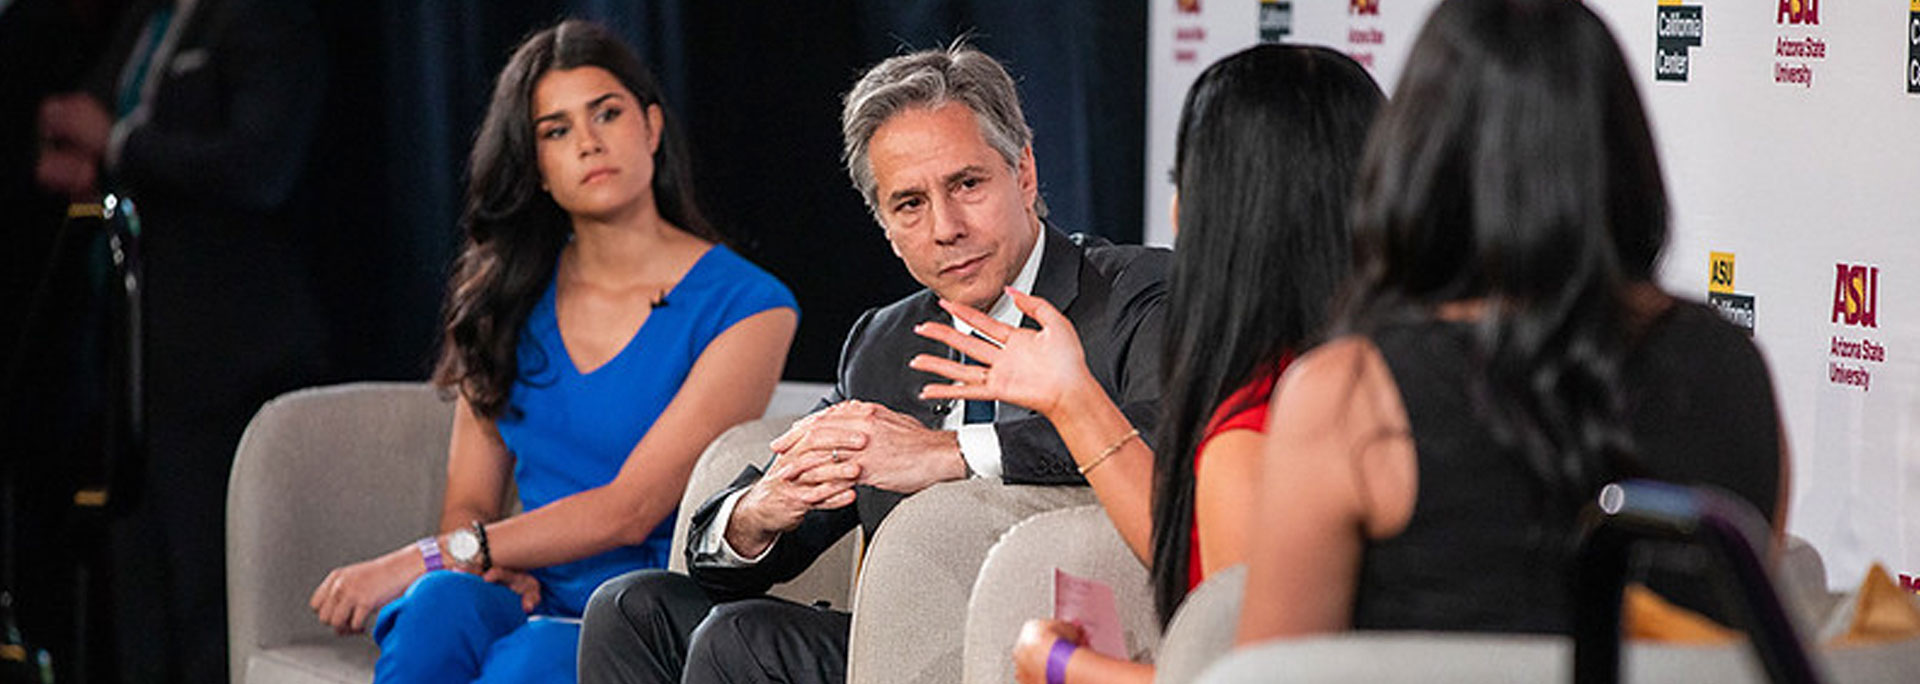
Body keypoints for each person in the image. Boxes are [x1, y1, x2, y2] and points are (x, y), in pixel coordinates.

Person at [576, 44, 1170, 684]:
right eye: (910, 204)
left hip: (1047, 645)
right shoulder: (886, 342)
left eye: (967, 185)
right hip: (902, 645)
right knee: (631, 607)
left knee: (741, 639)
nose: (945, 228)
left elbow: (1167, 438)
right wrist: (756, 515)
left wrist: (952, 453)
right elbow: (746, 544)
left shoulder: (1136, 294)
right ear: (883, 222)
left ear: (1023, 173)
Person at [1232, 0, 1787, 644]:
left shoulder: (1347, 393)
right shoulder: (1735, 370)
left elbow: (1271, 670)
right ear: (1622, 152)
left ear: (1417, 158)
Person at [305, 20, 799, 682]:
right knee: (435, 607)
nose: (589, 142)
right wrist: (483, 561)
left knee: (525, 655)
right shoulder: (503, 296)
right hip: (528, 586)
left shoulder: (749, 304)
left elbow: (631, 511)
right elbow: (469, 500)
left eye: (607, 114)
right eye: (556, 131)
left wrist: (428, 555)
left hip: (643, 609)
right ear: (535, 166)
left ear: (651, 127)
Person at [910, 45, 1383, 683]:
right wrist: (1071, 399)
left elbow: (1253, 680)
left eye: (1179, 179)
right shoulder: (1386, 371)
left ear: (1210, 210)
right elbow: (1186, 544)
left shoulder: (1262, 424)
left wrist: (1063, 665)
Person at [32, 0, 330, 681]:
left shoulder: (265, 18)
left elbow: (259, 168)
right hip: (133, 356)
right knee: (141, 591)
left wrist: (117, 146)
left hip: (230, 358)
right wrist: (88, 157)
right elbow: (93, 118)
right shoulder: (146, 16)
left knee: (211, 594)